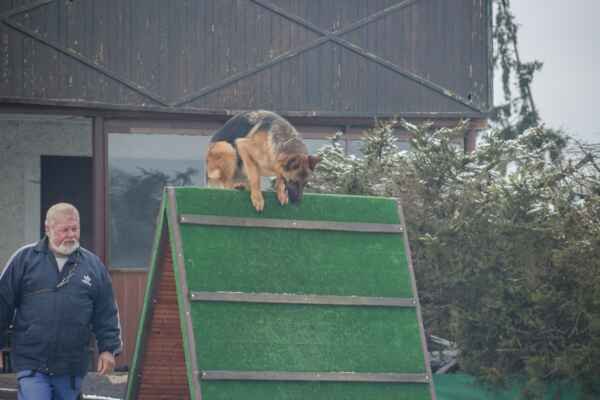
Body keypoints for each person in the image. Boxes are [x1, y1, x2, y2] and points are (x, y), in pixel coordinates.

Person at [0, 203, 122, 400]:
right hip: (32, 361)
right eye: (64, 230)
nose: (71, 235)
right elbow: (3, 302)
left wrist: (108, 349)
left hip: (71, 366)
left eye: (75, 229)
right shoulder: (24, 259)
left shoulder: (93, 266)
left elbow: (106, 311)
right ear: (48, 229)